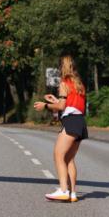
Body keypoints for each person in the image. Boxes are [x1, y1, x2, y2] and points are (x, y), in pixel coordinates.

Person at [34, 54, 88, 202]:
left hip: (70, 122)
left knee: (58, 155)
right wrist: (56, 100)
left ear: (61, 67)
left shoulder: (64, 83)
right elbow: (71, 105)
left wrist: (45, 105)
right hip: (80, 123)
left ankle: (63, 190)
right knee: (69, 159)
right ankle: (72, 193)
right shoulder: (79, 84)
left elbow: (62, 107)